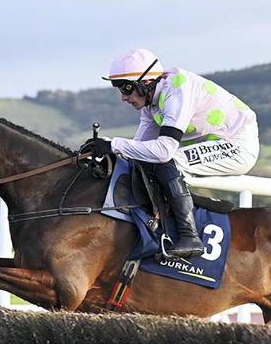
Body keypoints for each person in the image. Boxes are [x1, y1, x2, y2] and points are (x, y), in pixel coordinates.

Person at [84, 48, 259, 259]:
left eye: (126, 88)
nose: (123, 97)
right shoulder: (150, 103)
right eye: (120, 89)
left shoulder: (177, 92)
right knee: (146, 161)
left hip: (238, 144)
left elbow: (164, 151)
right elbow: (139, 149)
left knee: (168, 162)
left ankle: (190, 237)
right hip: (217, 142)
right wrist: (104, 150)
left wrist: (113, 144)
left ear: (146, 82)